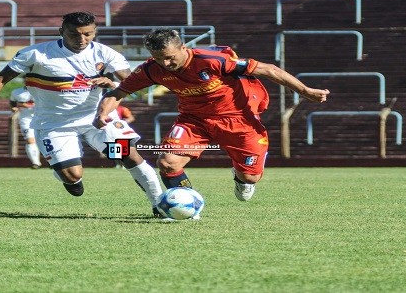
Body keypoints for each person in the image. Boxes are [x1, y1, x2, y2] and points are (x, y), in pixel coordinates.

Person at [94, 29, 330, 201]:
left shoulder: (212, 60)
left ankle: (240, 177)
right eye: (159, 58)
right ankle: (187, 204)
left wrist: (305, 91)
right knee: (167, 162)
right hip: (193, 121)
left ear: (183, 48)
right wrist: (103, 113)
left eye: (170, 57)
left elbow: (269, 69)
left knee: (250, 178)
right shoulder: (151, 69)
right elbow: (119, 91)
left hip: (239, 120)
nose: (165, 63)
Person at [0, 12, 163, 215]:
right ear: (62, 32)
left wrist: (113, 83)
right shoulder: (36, 54)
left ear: (94, 32)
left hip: (99, 121)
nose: (81, 39)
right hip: (55, 125)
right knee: (73, 177)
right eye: (74, 34)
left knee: (127, 156)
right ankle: (67, 175)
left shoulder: (105, 53)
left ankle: (160, 204)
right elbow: (0, 79)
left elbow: (132, 84)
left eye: (88, 34)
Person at [10, 86, 42, 169]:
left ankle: (52, 162)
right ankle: (36, 163)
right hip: (25, 119)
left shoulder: (42, 90)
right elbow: (13, 103)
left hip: (41, 118)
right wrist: (14, 108)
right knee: (30, 140)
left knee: (45, 140)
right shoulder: (17, 92)